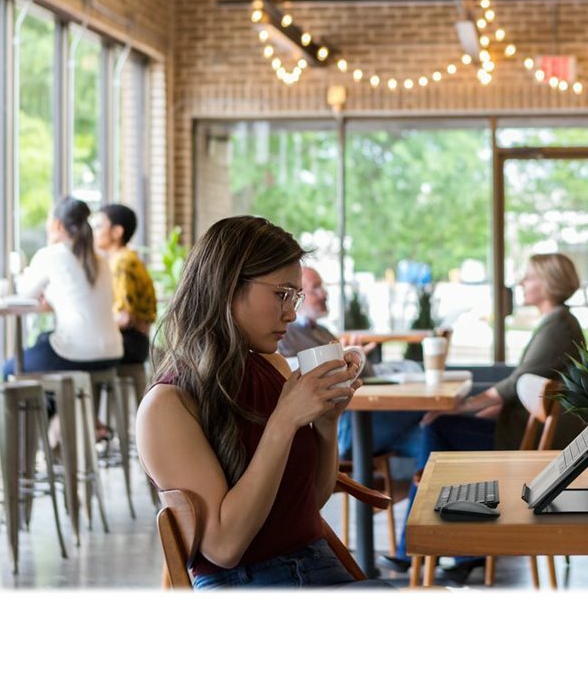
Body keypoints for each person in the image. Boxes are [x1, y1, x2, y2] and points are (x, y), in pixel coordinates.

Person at [135, 216, 389, 589]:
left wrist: (326, 423)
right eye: (282, 294)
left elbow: (309, 503)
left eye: (295, 296)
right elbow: (224, 547)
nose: (292, 312)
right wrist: (283, 422)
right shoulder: (168, 404)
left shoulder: (273, 366)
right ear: (227, 285)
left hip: (319, 566)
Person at [383, 253, 587, 583]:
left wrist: (462, 406)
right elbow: (521, 386)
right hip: (524, 430)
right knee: (444, 437)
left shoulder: (559, 325)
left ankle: (425, 548)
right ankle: (451, 551)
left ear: (549, 283)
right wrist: (480, 408)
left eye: (530, 277)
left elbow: (514, 384)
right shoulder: (558, 322)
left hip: (525, 441)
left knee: (439, 427)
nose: (522, 282)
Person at [277, 266, 423, 462]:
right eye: (315, 288)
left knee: (429, 433)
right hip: (341, 427)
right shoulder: (283, 335)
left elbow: (365, 375)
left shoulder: (322, 332)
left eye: (322, 287)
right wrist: (344, 360)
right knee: (424, 412)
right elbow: (291, 375)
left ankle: (415, 484)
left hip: (350, 420)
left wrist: (355, 359)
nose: (324, 293)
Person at [3, 196, 123, 393]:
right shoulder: (101, 259)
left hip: (77, 353)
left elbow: (24, 293)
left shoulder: (52, 254)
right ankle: (61, 412)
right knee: (44, 339)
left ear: (57, 225)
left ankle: (51, 412)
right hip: (112, 352)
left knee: (9, 369)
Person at [92, 203, 157, 366]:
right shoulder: (129, 258)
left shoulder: (122, 263)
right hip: (138, 342)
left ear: (117, 232)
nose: (94, 232)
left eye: (99, 226)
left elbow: (125, 318)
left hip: (129, 342)